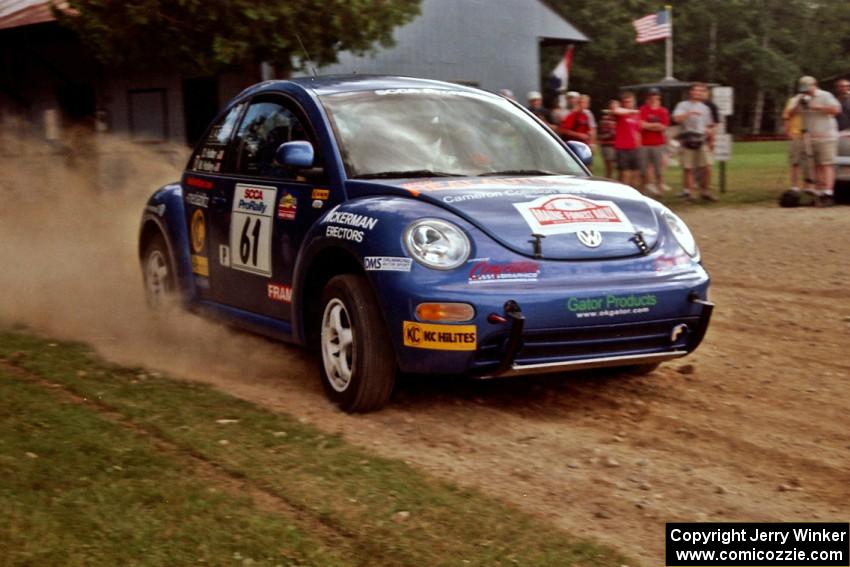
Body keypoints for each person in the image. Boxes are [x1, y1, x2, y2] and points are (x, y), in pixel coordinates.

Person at [786, 76, 840, 205]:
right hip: (809, 138)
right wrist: (799, 104)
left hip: (826, 136)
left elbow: (836, 110)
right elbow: (789, 114)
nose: (805, 90)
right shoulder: (800, 97)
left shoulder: (826, 95)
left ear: (814, 85)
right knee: (811, 165)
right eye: (803, 88)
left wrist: (817, 107)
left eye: (807, 87)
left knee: (825, 164)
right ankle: (815, 190)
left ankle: (828, 192)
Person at [673, 83, 716, 202]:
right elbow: (676, 119)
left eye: (700, 91)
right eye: (695, 90)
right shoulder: (682, 105)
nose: (698, 93)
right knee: (689, 167)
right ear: (690, 92)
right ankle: (689, 193)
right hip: (688, 137)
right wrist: (689, 114)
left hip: (701, 138)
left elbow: (709, 125)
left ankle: (705, 191)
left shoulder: (705, 108)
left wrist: (711, 139)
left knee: (707, 166)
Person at [782, 92, 815, 195]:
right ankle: (794, 186)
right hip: (796, 134)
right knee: (795, 162)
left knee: (809, 162)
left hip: (811, 135)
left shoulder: (814, 99)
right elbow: (787, 115)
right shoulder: (793, 100)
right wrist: (798, 103)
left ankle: (808, 187)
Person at [638, 88, 669, 196]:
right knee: (643, 169)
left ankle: (659, 189)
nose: (653, 97)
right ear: (648, 97)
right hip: (644, 144)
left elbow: (663, 127)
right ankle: (642, 190)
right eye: (651, 95)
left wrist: (648, 125)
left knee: (659, 170)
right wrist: (655, 126)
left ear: (659, 97)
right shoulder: (643, 109)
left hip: (658, 144)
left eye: (655, 95)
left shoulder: (662, 111)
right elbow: (641, 125)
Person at [612, 91, 641, 186]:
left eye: (630, 101)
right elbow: (615, 110)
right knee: (624, 174)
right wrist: (632, 111)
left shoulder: (636, 115)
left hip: (634, 147)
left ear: (633, 102)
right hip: (622, 147)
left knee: (635, 173)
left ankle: (634, 193)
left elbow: (637, 131)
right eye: (626, 102)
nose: (628, 104)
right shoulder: (620, 113)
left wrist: (638, 145)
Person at [597, 99, 618, 178]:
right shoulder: (605, 119)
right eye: (612, 106)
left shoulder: (619, 118)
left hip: (617, 145)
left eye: (616, 106)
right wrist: (613, 134)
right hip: (608, 145)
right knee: (609, 168)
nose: (614, 108)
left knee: (618, 168)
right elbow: (603, 134)